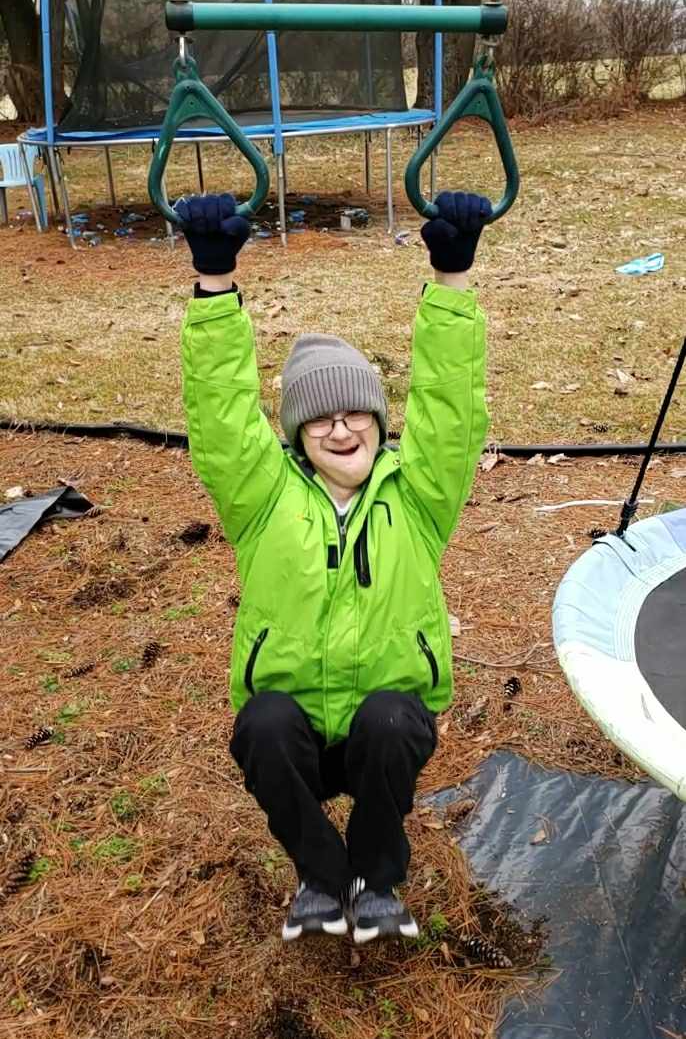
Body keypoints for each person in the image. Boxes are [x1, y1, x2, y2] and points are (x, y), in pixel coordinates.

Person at [175, 189, 491, 944]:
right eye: (321, 415)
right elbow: (221, 418)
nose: (341, 426)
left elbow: (451, 413)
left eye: (356, 412)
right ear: (295, 432)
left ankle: (376, 880)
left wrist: (451, 279)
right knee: (264, 723)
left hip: (381, 731)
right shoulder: (262, 496)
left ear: (380, 424)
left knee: (388, 717)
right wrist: (215, 282)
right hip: (299, 735)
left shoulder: (417, 495)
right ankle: (322, 877)